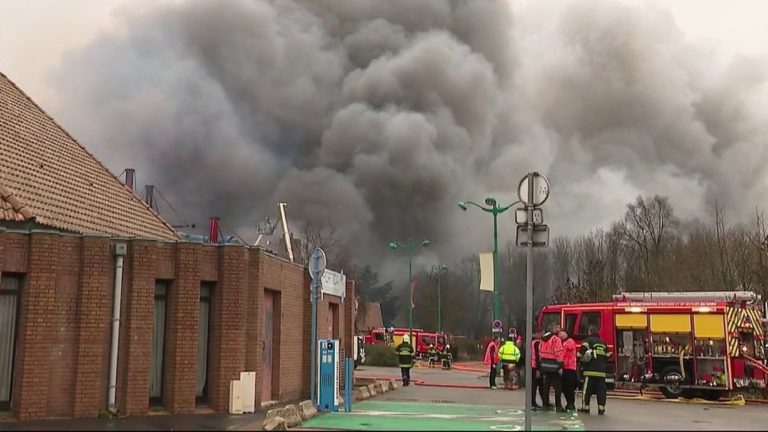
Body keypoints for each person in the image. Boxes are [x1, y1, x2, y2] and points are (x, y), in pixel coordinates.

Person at [579, 326, 611, 415]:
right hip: (601, 372)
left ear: (589, 332)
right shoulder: (603, 342)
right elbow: (608, 355)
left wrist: (579, 359)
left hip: (589, 371)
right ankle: (601, 408)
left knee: (587, 390)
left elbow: (579, 354)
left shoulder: (587, 341)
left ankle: (585, 407)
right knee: (601, 391)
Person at [539, 328, 565, 412]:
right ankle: (558, 406)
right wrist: (560, 366)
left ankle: (545, 405)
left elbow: (540, 351)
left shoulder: (542, 339)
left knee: (546, 386)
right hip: (554, 365)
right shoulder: (556, 339)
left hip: (544, 364)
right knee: (557, 387)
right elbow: (558, 353)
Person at [558, 329, 578, 411]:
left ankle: (571, 403)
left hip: (570, 367)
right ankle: (569, 403)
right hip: (564, 367)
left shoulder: (570, 341)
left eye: (560, 333)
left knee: (569, 387)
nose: (559, 335)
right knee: (565, 387)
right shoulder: (563, 342)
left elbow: (568, 348)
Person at [530, 332, 545, 409]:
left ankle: (544, 402)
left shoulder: (532, 342)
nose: (542, 335)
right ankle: (533, 402)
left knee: (538, 385)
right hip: (536, 366)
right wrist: (538, 369)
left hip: (533, 366)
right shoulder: (537, 343)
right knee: (536, 385)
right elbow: (537, 356)